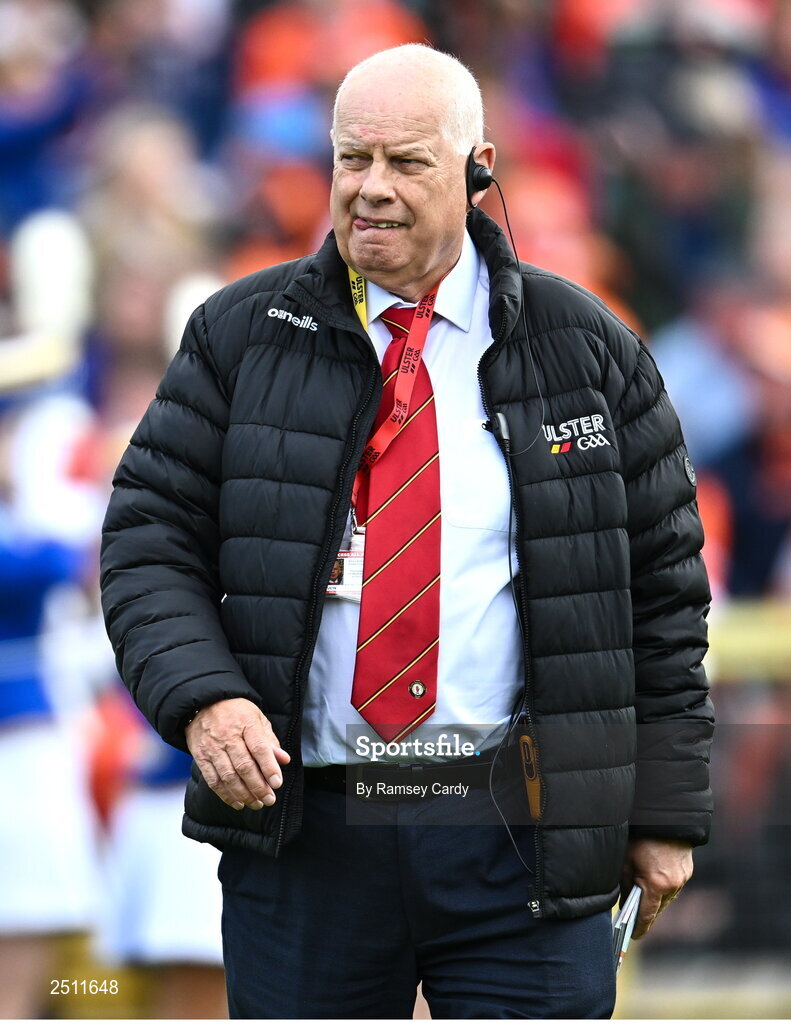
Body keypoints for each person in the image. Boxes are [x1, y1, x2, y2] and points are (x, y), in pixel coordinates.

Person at [100, 44, 714, 1019]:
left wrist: (666, 811)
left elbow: (662, 589)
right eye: (352, 160)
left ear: (479, 168)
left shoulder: (589, 350)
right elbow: (147, 539)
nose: (370, 189)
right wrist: (206, 699)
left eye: (406, 162)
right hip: (306, 830)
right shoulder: (236, 336)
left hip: (522, 833)